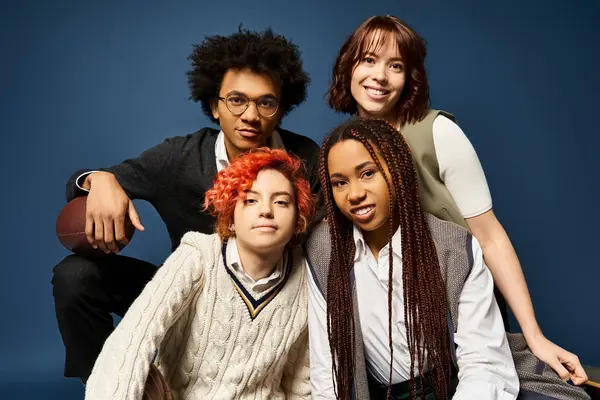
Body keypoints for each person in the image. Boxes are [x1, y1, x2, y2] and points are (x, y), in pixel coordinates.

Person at [326, 14, 587, 385]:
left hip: (460, 309)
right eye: (369, 60)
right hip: (396, 326)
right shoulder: (344, 145)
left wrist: (534, 335)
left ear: (410, 78)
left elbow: (489, 235)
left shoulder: (438, 133)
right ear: (348, 66)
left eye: (395, 65)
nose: (380, 76)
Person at [52, 27, 320, 383]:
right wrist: (98, 179)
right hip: (191, 298)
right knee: (75, 275)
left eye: (265, 102)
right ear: (213, 106)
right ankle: (108, 383)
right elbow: (84, 183)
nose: (250, 115)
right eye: (236, 100)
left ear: (281, 109)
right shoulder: (180, 158)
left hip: (273, 304)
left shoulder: (306, 159)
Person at [306, 118, 519, 399]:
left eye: (368, 173)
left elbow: (483, 365)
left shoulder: (452, 246)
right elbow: (327, 367)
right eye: (340, 182)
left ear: (398, 170)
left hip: (455, 386)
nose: (355, 194)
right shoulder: (324, 249)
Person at [85, 148, 314, 399]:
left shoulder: (306, 277)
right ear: (231, 217)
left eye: (281, 202)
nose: (266, 211)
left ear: (297, 220)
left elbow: (300, 383)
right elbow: (133, 338)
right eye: (250, 200)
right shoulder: (199, 256)